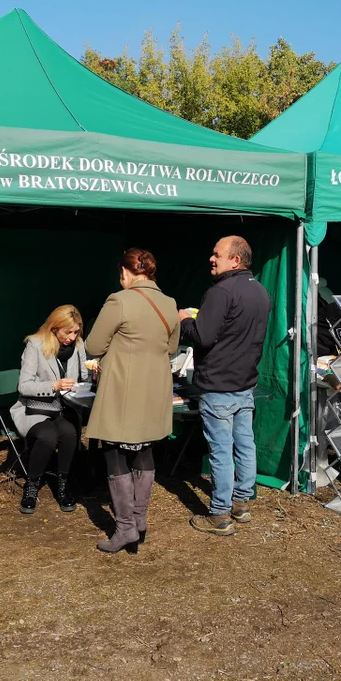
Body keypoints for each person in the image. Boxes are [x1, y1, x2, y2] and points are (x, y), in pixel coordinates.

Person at [85, 249, 180, 553]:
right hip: (156, 389)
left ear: (125, 272)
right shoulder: (170, 303)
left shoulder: (119, 300)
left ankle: (125, 527)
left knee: (114, 451)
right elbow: (172, 348)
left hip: (122, 388)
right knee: (146, 449)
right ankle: (139, 521)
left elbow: (93, 344)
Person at [179, 236, 270, 536]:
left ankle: (219, 513)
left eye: (217, 254)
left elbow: (203, 336)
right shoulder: (259, 291)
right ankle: (242, 502)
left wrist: (184, 320)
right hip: (244, 383)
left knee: (221, 450)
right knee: (245, 445)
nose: (211, 259)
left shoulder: (221, 291)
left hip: (219, 386)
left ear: (235, 260)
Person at [10, 305, 89, 514]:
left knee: (70, 433)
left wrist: (93, 373)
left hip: (62, 408)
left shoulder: (79, 345)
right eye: (67, 332)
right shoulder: (35, 344)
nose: (72, 337)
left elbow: (84, 376)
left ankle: (63, 485)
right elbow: (24, 386)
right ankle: (32, 486)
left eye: (76, 332)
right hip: (35, 408)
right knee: (48, 436)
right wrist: (53, 386)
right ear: (55, 327)